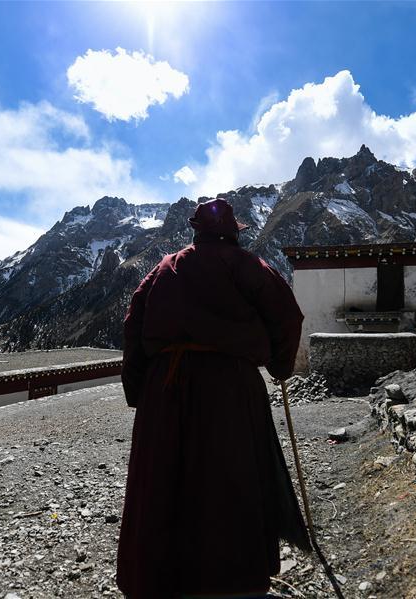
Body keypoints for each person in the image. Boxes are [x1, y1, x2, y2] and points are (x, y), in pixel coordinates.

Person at [117, 198, 310, 599]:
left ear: (195, 231)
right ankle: (234, 578)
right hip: (232, 386)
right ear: (235, 232)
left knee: (165, 477)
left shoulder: (165, 268)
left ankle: (163, 576)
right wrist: (280, 367)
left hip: (165, 389)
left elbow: (134, 327)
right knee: (232, 473)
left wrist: (140, 393)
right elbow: (288, 317)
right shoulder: (250, 267)